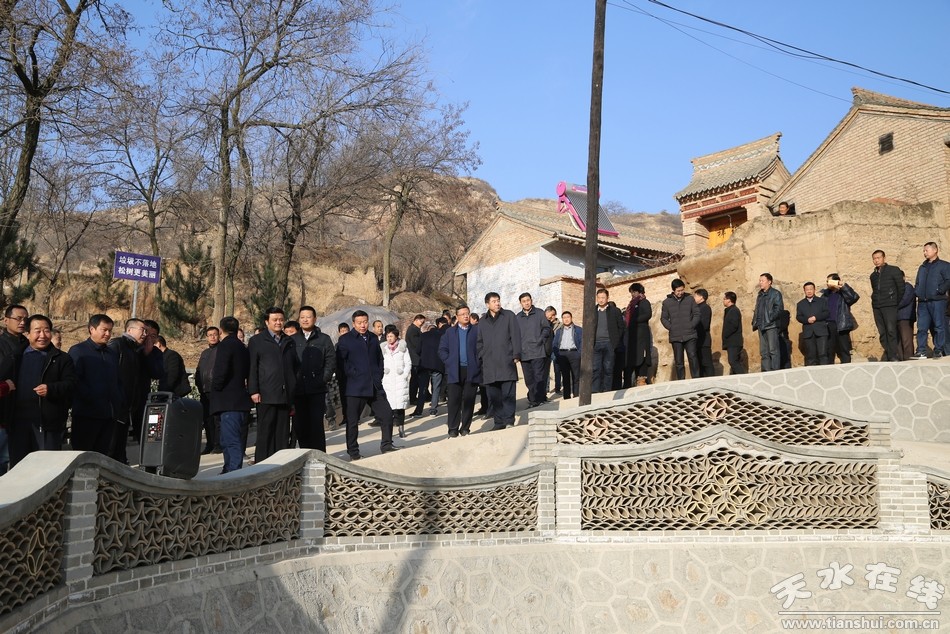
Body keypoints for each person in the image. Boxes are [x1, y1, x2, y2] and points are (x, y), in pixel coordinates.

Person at [9, 315, 76, 465]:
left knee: (45, 467)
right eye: (37, 331)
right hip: (18, 423)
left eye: (46, 331)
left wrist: (51, 389)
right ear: (27, 334)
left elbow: (71, 384)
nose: (42, 335)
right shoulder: (15, 356)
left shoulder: (61, 358)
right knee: (19, 467)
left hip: (47, 423)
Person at [335, 309, 398, 460]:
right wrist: (354, 374)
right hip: (355, 387)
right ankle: (353, 452)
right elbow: (341, 363)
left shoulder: (372, 338)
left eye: (365, 322)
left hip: (374, 385)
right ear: (353, 324)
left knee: (387, 415)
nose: (363, 325)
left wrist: (378, 374)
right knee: (352, 422)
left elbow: (379, 358)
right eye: (359, 323)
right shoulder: (345, 340)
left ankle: (387, 445)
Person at [109, 318, 164, 464]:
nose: (147, 337)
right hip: (122, 400)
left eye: (152, 336)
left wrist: (148, 354)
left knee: (145, 434)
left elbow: (157, 373)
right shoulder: (123, 346)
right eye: (145, 332)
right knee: (116, 437)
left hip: (140, 400)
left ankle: (148, 462)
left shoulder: (153, 353)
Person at [248, 307, 298, 463]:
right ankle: (263, 464)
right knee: (266, 431)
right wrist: (254, 390)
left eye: (281, 319)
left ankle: (281, 464)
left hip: (285, 393)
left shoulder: (289, 341)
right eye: (275, 320)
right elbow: (252, 367)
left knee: (282, 432)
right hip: (266, 393)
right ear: (266, 322)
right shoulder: (257, 341)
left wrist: (293, 387)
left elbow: (294, 367)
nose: (278, 323)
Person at [69, 314, 122, 455]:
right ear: (92, 329)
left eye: (110, 330)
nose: (108, 334)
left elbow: (117, 379)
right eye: (104, 330)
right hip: (87, 414)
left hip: (108, 415)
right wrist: (91, 398)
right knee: (83, 454)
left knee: (102, 455)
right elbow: (75, 380)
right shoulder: (78, 351)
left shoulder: (111, 353)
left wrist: (118, 400)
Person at [290, 305, 335, 452]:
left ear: (315, 319)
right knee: (300, 426)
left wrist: (323, 378)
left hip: (317, 389)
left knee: (316, 425)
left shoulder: (324, 339)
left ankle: (320, 456)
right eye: (302, 317)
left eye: (308, 317)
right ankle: (306, 455)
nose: (305, 320)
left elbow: (330, 361)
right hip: (298, 390)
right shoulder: (292, 340)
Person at [210, 316, 252, 473]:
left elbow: (221, 371)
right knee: (227, 439)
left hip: (228, 400)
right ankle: (228, 468)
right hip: (239, 398)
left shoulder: (226, 345)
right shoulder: (242, 347)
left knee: (231, 439)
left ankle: (233, 471)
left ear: (221, 330)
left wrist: (216, 387)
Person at [476, 292, 521, 431]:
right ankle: (499, 422)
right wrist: (482, 355)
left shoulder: (508, 316)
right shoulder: (482, 321)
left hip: (506, 360)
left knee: (508, 394)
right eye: (494, 301)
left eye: (498, 300)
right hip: (489, 364)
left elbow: (516, 336)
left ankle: (509, 420)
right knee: (494, 396)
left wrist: (516, 354)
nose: (497, 303)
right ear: (487, 304)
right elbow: (479, 341)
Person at [438, 306, 481, 437]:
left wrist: (478, 362)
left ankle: (465, 428)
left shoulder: (476, 331)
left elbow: (482, 348)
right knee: (453, 401)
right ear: (457, 317)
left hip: (471, 370)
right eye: (462, 314)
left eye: (467, 313)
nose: (466, 316)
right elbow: (442, 349)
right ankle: (453, 428)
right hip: (454, 370)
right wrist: (449, 361)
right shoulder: (450, 332)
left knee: (469, 400)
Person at [0, 304, 28, 473]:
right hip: (3, 411)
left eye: (25, 319)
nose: (22, 322)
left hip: (23, 411)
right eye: (18, 318)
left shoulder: (28, 344)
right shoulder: (2, 345)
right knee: (3, 459)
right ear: (6, 320)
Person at [913, 242, 950, 359]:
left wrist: (940, 290)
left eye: (927, 250)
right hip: (923, 302)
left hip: (938, 301)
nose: (925, 253)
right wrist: (917, 291)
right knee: (922, 327)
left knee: (939, 326)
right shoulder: (922, 267)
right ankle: (921, 351)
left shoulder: (944, 265)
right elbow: (918, 282)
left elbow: (948, 280)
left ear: (935, 250)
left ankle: (938, 350)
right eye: (924, 251)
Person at [515, 292, 551, 408]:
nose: (526, 303)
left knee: (538, 377)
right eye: (524, 301)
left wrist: (540, 340)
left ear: (531, 300)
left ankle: (538, 400)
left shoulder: (539, 313)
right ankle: (533, 399)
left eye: (528, 300)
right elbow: (514, 335)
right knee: (529, 379)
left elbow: (546, 328)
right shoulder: (517, 317)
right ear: (520, 303)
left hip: (538, 351)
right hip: (524, 353)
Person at [660, 279, 700, 380]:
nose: (680, 292)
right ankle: (681, 380)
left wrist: (692, 325)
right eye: (678, 291)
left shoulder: (690, 299)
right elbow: (664, 318)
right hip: (675, 335)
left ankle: (696, 378)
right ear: (673, 290)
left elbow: (697, 314)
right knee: (678, 361)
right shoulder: (667, 302)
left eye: (682, 290)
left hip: (690, 334)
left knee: (692, 356)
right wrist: (671, 327)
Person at [870, 250, 905, 361]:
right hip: (877, 306)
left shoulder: (893, 270)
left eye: (878, 258)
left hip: (890, 305)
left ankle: (893, 355)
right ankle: (889, 354)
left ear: (884, 258)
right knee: (882, 332)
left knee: (891, 330)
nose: (876, 260)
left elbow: (901, 289)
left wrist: (894, 301)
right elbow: (875, 290)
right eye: (874, 258)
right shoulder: (873, 275)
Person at [820, 274, 859, 364]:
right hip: (829, 325)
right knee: (829, 350)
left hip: (842, 324)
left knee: (844, 349)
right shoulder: (825, 294)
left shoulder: (843, 293)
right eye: (827, 281)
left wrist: (843, 286)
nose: (827, 283)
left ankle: (846, 367)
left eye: (829, 281)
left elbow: (854, 297)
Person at [380, 325, 411, 439]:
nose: (389, 338)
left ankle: (401, 428)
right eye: (387, 336)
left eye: (391, 336)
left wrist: (404, 374)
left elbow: (408, 363)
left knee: (400, 406)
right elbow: (379, 362)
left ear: (396, 337)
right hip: (388, 381)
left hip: (400, 380)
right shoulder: (383, 349)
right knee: (389, 407)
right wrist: (383, 372)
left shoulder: (403, 349)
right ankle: (390, 430)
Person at [591, 288, 624, 392]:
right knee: (596, 369)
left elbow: (621, 327)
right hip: (596, 344)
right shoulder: (591, 311)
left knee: (608, 369)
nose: (601, 300)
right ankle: (595, 391)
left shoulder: (615, 311)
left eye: (603, 297)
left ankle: (607, 391)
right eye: (599, 298)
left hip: (609, 343)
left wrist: (615, 341)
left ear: (607, 298)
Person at [194, 326, 221, 454]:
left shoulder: (221, 350)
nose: (212, 337)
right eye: (210, 335)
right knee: (207, 419)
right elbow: (199, 370)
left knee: (217, 419)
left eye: (215, 334)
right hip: (204, 391)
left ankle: (218, 444)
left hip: (216, 391)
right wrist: (199, 384)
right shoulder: (205, 353)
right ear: (206, 337)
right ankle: (210, 444)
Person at [752, 273, 784, 371]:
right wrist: (755, 321)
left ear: (769, 282)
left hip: (771, 325)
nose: (760, 282)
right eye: (760, 280)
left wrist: (769, 319)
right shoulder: (760, 294)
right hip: (761, 326)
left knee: (773, 350)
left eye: (762, 280)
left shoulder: (775, 294)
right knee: (763, 352)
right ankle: (766, 371)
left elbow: (779, 309)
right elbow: (757, 309)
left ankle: (775, 371)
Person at [416, 318, 447, 416]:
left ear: (428, 329)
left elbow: (417, 350)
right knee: (436, 387)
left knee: (423, 388)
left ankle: (419, 410)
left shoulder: (423, 335)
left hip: (424, 365)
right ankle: (433, 409)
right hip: (437, 365)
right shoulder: (442, 336)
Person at [623, 283, 652, 386]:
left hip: (641, 334)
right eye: (631, 292)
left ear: (640, 292)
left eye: (634, 292)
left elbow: (648, 314)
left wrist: (634, 320)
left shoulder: (644, 302)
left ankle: (641, 379)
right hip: (631, 335)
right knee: (631, 357)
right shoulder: (631, 305)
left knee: (642, 356)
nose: (633, 294)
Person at [796, 282, 830, 366]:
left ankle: (825, 372)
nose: (809, 291)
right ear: (804, 291)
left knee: (823, 354)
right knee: (810, 356)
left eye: (811, 289)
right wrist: (807, 320)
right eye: (807, 290)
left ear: (814, 290)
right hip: (808, 332)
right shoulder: (800, 304)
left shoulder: (822, 301)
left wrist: (816, 318)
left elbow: (827, 313)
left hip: (821, 331)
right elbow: (798, 317)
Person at [553, 311, 582, 399]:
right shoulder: (559, 331)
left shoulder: (578, 330)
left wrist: (579, 353)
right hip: (563, 354)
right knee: (565, 377)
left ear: (571, 318)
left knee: (576, 376)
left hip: (574, 353)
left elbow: (582, 342)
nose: (566, 319)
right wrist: (557, 354)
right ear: (562, 319)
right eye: (564, 317)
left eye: (568, 317)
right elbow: (555, 344)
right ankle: (566, 396)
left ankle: (576, 395)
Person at [405, 314, 425, 412]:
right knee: (415, 379)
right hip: (414, 357)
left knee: (416, 378)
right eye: (421, 322)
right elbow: (417, 344)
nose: (422, 324)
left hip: (415, 357)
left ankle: (414, 396)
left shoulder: (415, 329)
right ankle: (412, 397)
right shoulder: (413, 330)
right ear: (416, 320)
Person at [722, 292, 744, 374]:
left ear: (729, 300)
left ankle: (743, 378)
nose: (723, 301)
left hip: (734, 341)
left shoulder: (734, 310)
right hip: (731, 341)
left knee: (733, 361)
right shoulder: (729, 310)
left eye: (724, 299)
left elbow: (734, 325)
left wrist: (725, 334)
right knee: (733, 361)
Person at [693, 288, 714, 377]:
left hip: (704, 340)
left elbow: (704, 325)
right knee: (700, 364)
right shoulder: (697, 308)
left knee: (706, 363)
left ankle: (712, 382)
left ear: (701, 297)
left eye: (695, 296)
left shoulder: (705, 308)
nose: (694, 298)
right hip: (697, 340)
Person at [897, 276, 917, 361]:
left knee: (906, 340)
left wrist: (892, 306)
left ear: (903, 277)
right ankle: (901, 360)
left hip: (905, 317)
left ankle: (908, 359)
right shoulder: (896, 288)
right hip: (896, 317)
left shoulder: (908, 287)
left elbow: (905, 300)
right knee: (898, 342)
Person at [543, 306, 562, 395]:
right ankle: (546, 388)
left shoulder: (560, 325)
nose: (551, 317)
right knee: (546, 370)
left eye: (553, 315)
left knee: (557, 370)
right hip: (546, 349)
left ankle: (558, 388)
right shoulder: (544, 323)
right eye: (550, 315)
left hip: (556, 349)